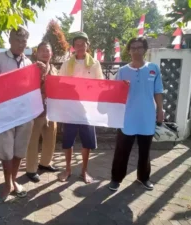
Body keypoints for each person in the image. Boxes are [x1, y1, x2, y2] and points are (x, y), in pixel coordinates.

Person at [0, 26, 39, 205]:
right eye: (17, 40)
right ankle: (6, 185)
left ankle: (13, 180)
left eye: (24, 41)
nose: (21, 44)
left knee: (19, 150)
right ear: (10, 41)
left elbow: (33, 86)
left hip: (24, 114)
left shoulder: (29, 63)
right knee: (6, 151)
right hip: (5, 114)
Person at [109, 37, 164, 192]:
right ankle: (116, 179)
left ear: (144, 49)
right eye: (133, 48)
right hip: (127, 117)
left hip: (147, 117)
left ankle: (144, 177)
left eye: (139, 47)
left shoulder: (153, 68)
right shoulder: (123, 71)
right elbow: (114, 92)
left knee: (145, 151)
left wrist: (160, 110)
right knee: (122, 150)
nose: (136, 51)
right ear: (129, 51)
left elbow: (158, 91)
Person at [57, 32, 104, 184]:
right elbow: (60, 83)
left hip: (88, 109)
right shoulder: (66, 64)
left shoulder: (95, 64)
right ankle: (68, 169)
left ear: (87, 45)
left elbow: (100, 84)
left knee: (87, 142)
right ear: (73, 47)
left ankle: (84, 171)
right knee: (68, 141)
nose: (80, 47)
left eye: (82, 44)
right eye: (77, 44)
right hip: (71, 108)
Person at [25, 42, 59, 183]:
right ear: (37, 53)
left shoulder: (54, 69)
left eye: (48, 50)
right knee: (33, 140)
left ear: (51, 54)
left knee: (50, 137)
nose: (45, 53)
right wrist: (43, 75)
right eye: (42, 51)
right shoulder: (31, 68)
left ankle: (45, 163)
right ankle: (31, 169)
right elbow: (29, 88)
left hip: (51, 110)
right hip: (35, 110)